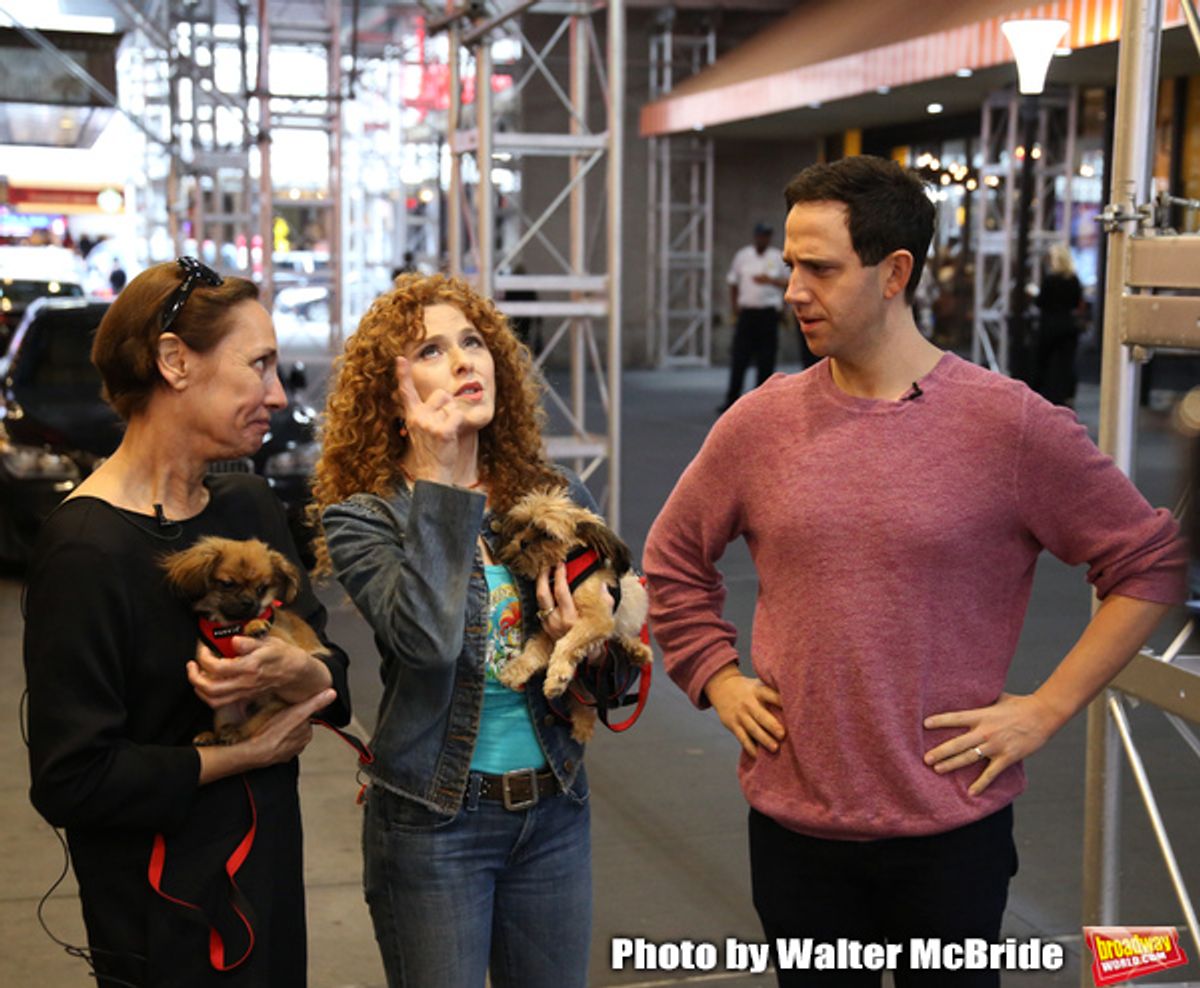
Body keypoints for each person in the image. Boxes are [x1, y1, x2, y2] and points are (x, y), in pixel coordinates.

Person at [643, 156, 1186, 987]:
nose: (792, 289)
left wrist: (1046, 709)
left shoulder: (1008, 425)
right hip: (797, 831)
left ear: (895, 272)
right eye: (790, 263)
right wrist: (716, 678)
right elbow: (672, 560)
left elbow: (1147, 562)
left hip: (951, 836)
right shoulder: (759, 425)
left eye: (819, 267)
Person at [23, 258, 351, 987]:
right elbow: (72, 780)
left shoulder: (249, 509)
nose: (276, 392)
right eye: (258, 365)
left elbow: (334, 673)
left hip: (265, 891)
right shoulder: (87, 549)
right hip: (161, 927)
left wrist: (307, 673)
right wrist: (245, 753)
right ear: (174, 361)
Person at [311, 273, 623, 988]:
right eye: (430, 350)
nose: (462, 361)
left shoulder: (554, 497)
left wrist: (592, 637)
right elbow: (427, 644)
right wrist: (437, 476)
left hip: (554, 811)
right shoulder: (366, 518)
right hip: (433, 824)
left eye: (474, 342)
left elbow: (616, 665)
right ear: (393, 395)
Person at [720, 221, 789, 412]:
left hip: (768, 314)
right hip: (748, 313)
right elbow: (733, 282)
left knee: (766, 359)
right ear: (755, 236)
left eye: (766, 235)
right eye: (760, 235)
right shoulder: (743, 256)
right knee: (739, 357)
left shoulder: (776, 257)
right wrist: (735, 307)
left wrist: (772, 283)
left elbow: (788, 282)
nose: (763, 239)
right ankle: (732, 399)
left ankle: (762, 402)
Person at [1033, 243, 1085, 406]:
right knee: (1066, 363)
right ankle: (1065, 395)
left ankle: (1046, 396)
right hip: (1068, 327)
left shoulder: (1050, 280)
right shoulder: (1074, 280)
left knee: (1045, 362)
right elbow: (1077, 302)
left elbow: (1041, 302)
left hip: (1049, 326)